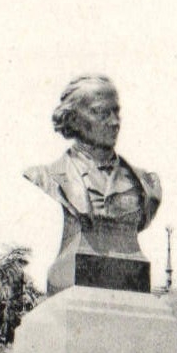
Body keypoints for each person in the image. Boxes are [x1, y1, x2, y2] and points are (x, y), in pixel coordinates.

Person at [25, 76, 161, 292]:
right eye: (101, 112)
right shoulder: (50, 176)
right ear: (74, 120)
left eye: (116, 112)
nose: (114, 122)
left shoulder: (147, 185)